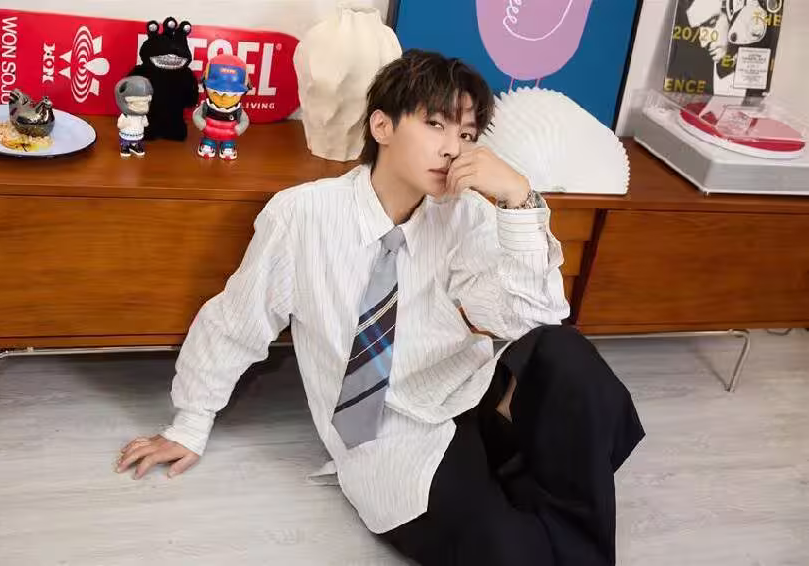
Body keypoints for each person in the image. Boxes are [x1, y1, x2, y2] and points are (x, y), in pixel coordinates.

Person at [116, 49, 644, 565]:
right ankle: (541, 493)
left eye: (466, 135)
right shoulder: (303, 215)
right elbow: (238, 321)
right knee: (512, 547)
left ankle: (551, 501)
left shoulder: (469, 216)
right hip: (393, 435)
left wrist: (519, 201)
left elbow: (532, 318)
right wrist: (189, 424)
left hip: (468, 397)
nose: (453, 149)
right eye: (435, 125)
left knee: (564, 351)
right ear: (382, 126)